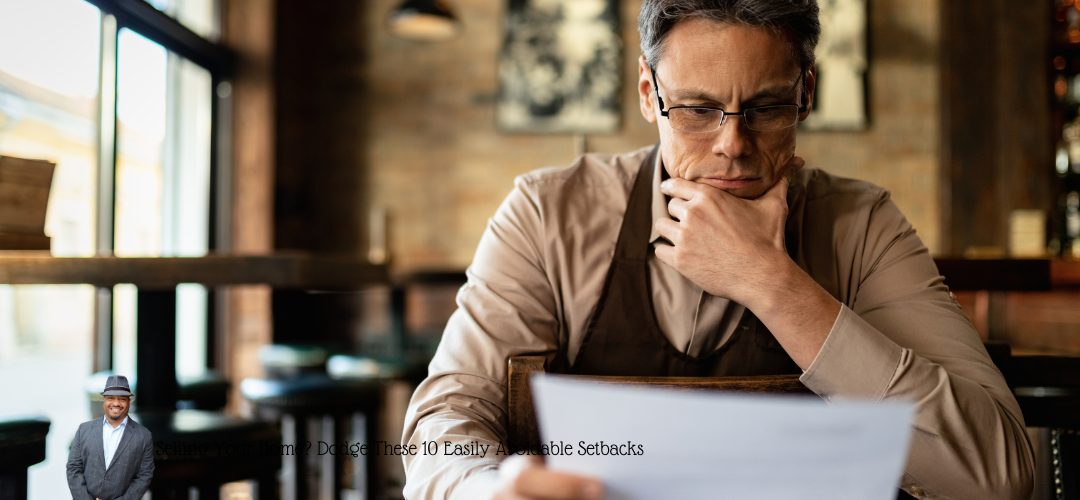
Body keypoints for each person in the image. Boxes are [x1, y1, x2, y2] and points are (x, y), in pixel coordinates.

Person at [402, 1, 1035, 499]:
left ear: (805, 94)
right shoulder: (548, 215)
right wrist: (484, 489)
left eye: (766, 108)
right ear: (649, 94)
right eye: (699, 110)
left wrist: (771, 283)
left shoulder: (862, 226)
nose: (733, 143)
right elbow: (443, 424)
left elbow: (998, 476)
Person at [66, 375, 155, 500]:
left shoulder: (143, 436)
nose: (116, 403)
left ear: (130, 401)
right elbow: (73, 468)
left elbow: (144, 475)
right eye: (111, 398)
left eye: (122, 399)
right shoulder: (84, 430)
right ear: (104, 400)